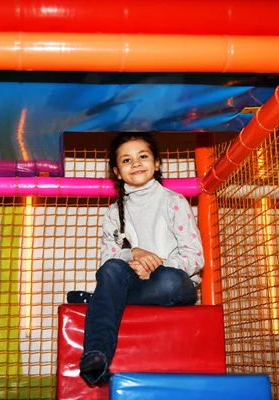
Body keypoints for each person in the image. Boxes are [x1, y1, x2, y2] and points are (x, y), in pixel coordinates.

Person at [72, 132, 204, 386]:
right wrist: (134, 253)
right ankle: (95, 356)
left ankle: (100, 298)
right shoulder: (114, 213)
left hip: (172, 282)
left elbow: (195, 256)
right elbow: (107, 260)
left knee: (168, 282)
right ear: (117, 172)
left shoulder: (174, 202)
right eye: (126, 160)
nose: (136, 163)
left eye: (143, 156)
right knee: (111, 269)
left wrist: (155, 267)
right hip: (135, 282)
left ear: (156, 163)